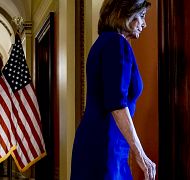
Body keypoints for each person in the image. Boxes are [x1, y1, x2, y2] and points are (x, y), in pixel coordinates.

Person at [70, 0, 156, 179]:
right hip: (106, 144)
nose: (144, 23)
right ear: (124, 14)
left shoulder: (102, 43)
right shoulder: (117, 44)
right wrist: (140, 154)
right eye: (140, 16)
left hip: (100, 141)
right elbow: (117, 103)